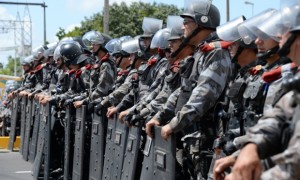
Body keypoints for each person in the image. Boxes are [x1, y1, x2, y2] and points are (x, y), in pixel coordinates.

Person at [145, 0, 232, 179]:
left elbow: (202, 96)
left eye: (187, 22)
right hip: (190, 137)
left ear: (202, 22)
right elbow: (182, 91)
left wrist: (174, 124)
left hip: (205, 140)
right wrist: (160, 116)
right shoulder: (200, 53)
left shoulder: (216, 52)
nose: (182, 27)